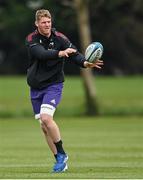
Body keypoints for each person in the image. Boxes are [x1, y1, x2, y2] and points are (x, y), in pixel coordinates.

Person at [25, 9, 103, 173]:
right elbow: (41, 54)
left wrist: (86, 63)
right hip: (36, 87)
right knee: (44, 127)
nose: (47, 25)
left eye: (49, 22)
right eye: (44, 22)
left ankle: (61, 154)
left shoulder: (60, 37)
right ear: (37, 24)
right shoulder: (32, 39)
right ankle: (60, 162)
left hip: (54, 85)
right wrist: (61, 53)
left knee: (47, 118)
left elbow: (74, 54)